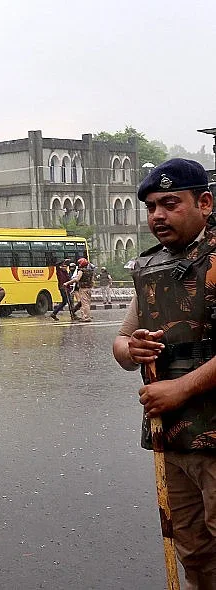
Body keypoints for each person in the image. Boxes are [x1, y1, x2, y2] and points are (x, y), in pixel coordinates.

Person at [112, 158, 216, 588]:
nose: (157, 215)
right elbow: (120, 345)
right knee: (193, 552)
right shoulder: (151, 268)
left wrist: (183, 388)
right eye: (152, 206)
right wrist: (131, 347)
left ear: (205, 202)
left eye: (170, 203)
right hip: (172, 435)